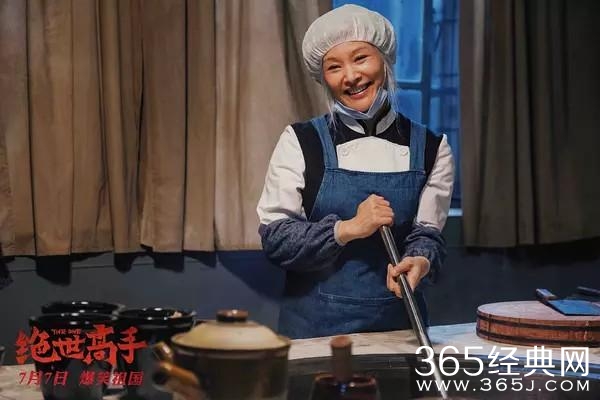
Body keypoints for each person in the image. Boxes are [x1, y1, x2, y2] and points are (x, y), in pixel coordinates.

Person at [257, 4, 454, 339]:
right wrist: (348, 228)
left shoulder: (432, 148)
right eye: (334, 67)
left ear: (384, 60)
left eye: (361, 58)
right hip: (315, 333)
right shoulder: (300, 142)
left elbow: (427, 235)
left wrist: (420, 260)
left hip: (400, 329)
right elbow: (276, 240)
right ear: (323, 78)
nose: (350, 76)